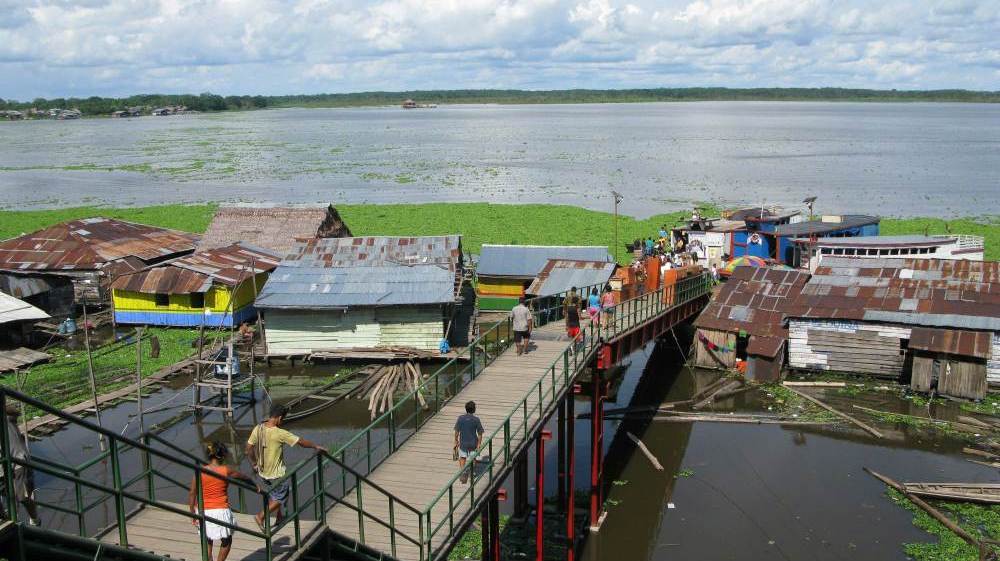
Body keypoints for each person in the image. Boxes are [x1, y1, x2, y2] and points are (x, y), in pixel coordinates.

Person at [246, 404, 324, 531]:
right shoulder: (280, 433)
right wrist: (315, 446)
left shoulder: (258, 428)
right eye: (282, 419)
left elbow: (248, 449)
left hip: (262, 473)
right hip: (277, 475)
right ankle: (261, 516)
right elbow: (300, 441)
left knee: (273, 494)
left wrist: (254, 463)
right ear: (279, 418)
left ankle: (279, 517)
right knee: (282, 495)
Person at [188, 442, 260, 561]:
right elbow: (244, 477)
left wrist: (192, 512)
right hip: (221, 510)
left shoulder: (199, 471)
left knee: (207, 538)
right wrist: (254, 485)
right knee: (226, 539)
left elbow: (192, 493)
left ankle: (208, 559)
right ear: (222, 455)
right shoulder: (226, 470)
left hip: (203, 510)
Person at [1, 405, 39, 526]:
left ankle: (35, 521)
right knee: (8, 495)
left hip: (18, 461)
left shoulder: (5, 417)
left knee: (23, 497)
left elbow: (15, 412)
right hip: (3, 466)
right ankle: (7, 519)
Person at [453, 401, 484, 484]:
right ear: (474, 410)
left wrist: (456, 440)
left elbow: (456, 431)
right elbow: (480, 433)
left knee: (462, 457)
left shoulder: (460, 418)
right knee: (473, 459)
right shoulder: (476, 420)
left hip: (463, 443)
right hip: (473, 443)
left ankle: (463, 473)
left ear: (466, 409)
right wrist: (479, 444)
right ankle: (472, 474)